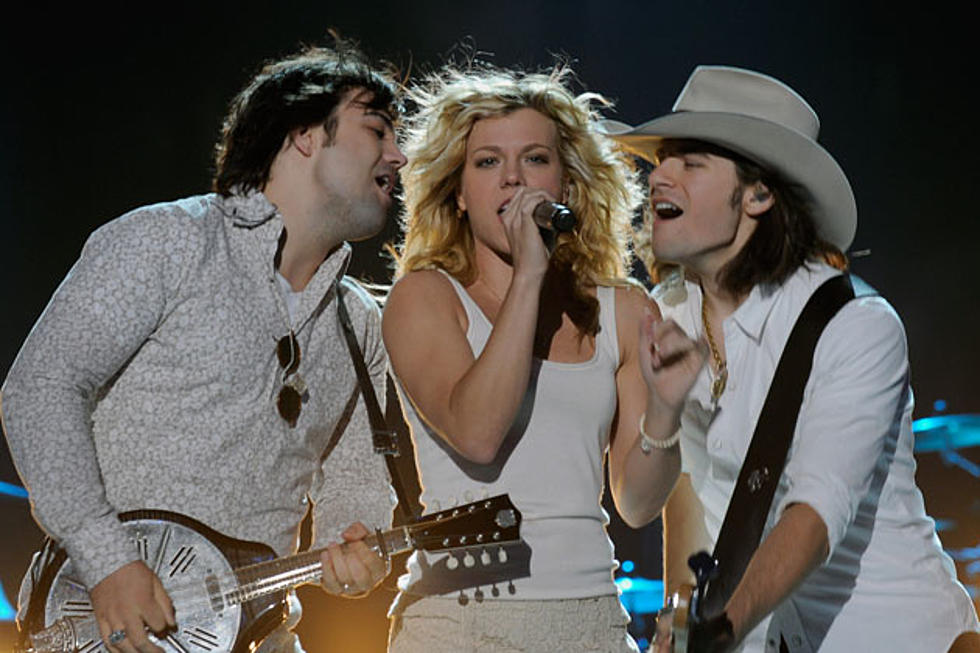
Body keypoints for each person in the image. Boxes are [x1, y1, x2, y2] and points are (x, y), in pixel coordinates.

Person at [1, 41, 407, 653]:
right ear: (303, 135)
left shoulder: (360, 321)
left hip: (261, 635)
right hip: (112, 629)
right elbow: (40, 389)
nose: (398, 155)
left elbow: (354, 482)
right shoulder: (164, 242)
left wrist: (354, 546)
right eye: (377, 130)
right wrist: (107, 558)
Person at [603, 66, 980, 652]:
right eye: (662, 160)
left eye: (690, 163)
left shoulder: (855, 324)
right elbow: (673, 501)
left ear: (758, 195)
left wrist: (721, 627)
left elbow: (813, 515)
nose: (660, 177)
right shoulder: (668, 314)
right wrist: (684, 619)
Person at [381, 62, 705, 652]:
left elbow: (636, 502)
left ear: (565, 186)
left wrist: (664, 413)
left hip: (591, 621)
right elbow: (478, 434)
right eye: (487, 162)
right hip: (460, 622)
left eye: (534, 159)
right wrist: (530, 273)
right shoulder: (424, 298)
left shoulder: (623, 311)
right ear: (456, 192)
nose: (512, 179)